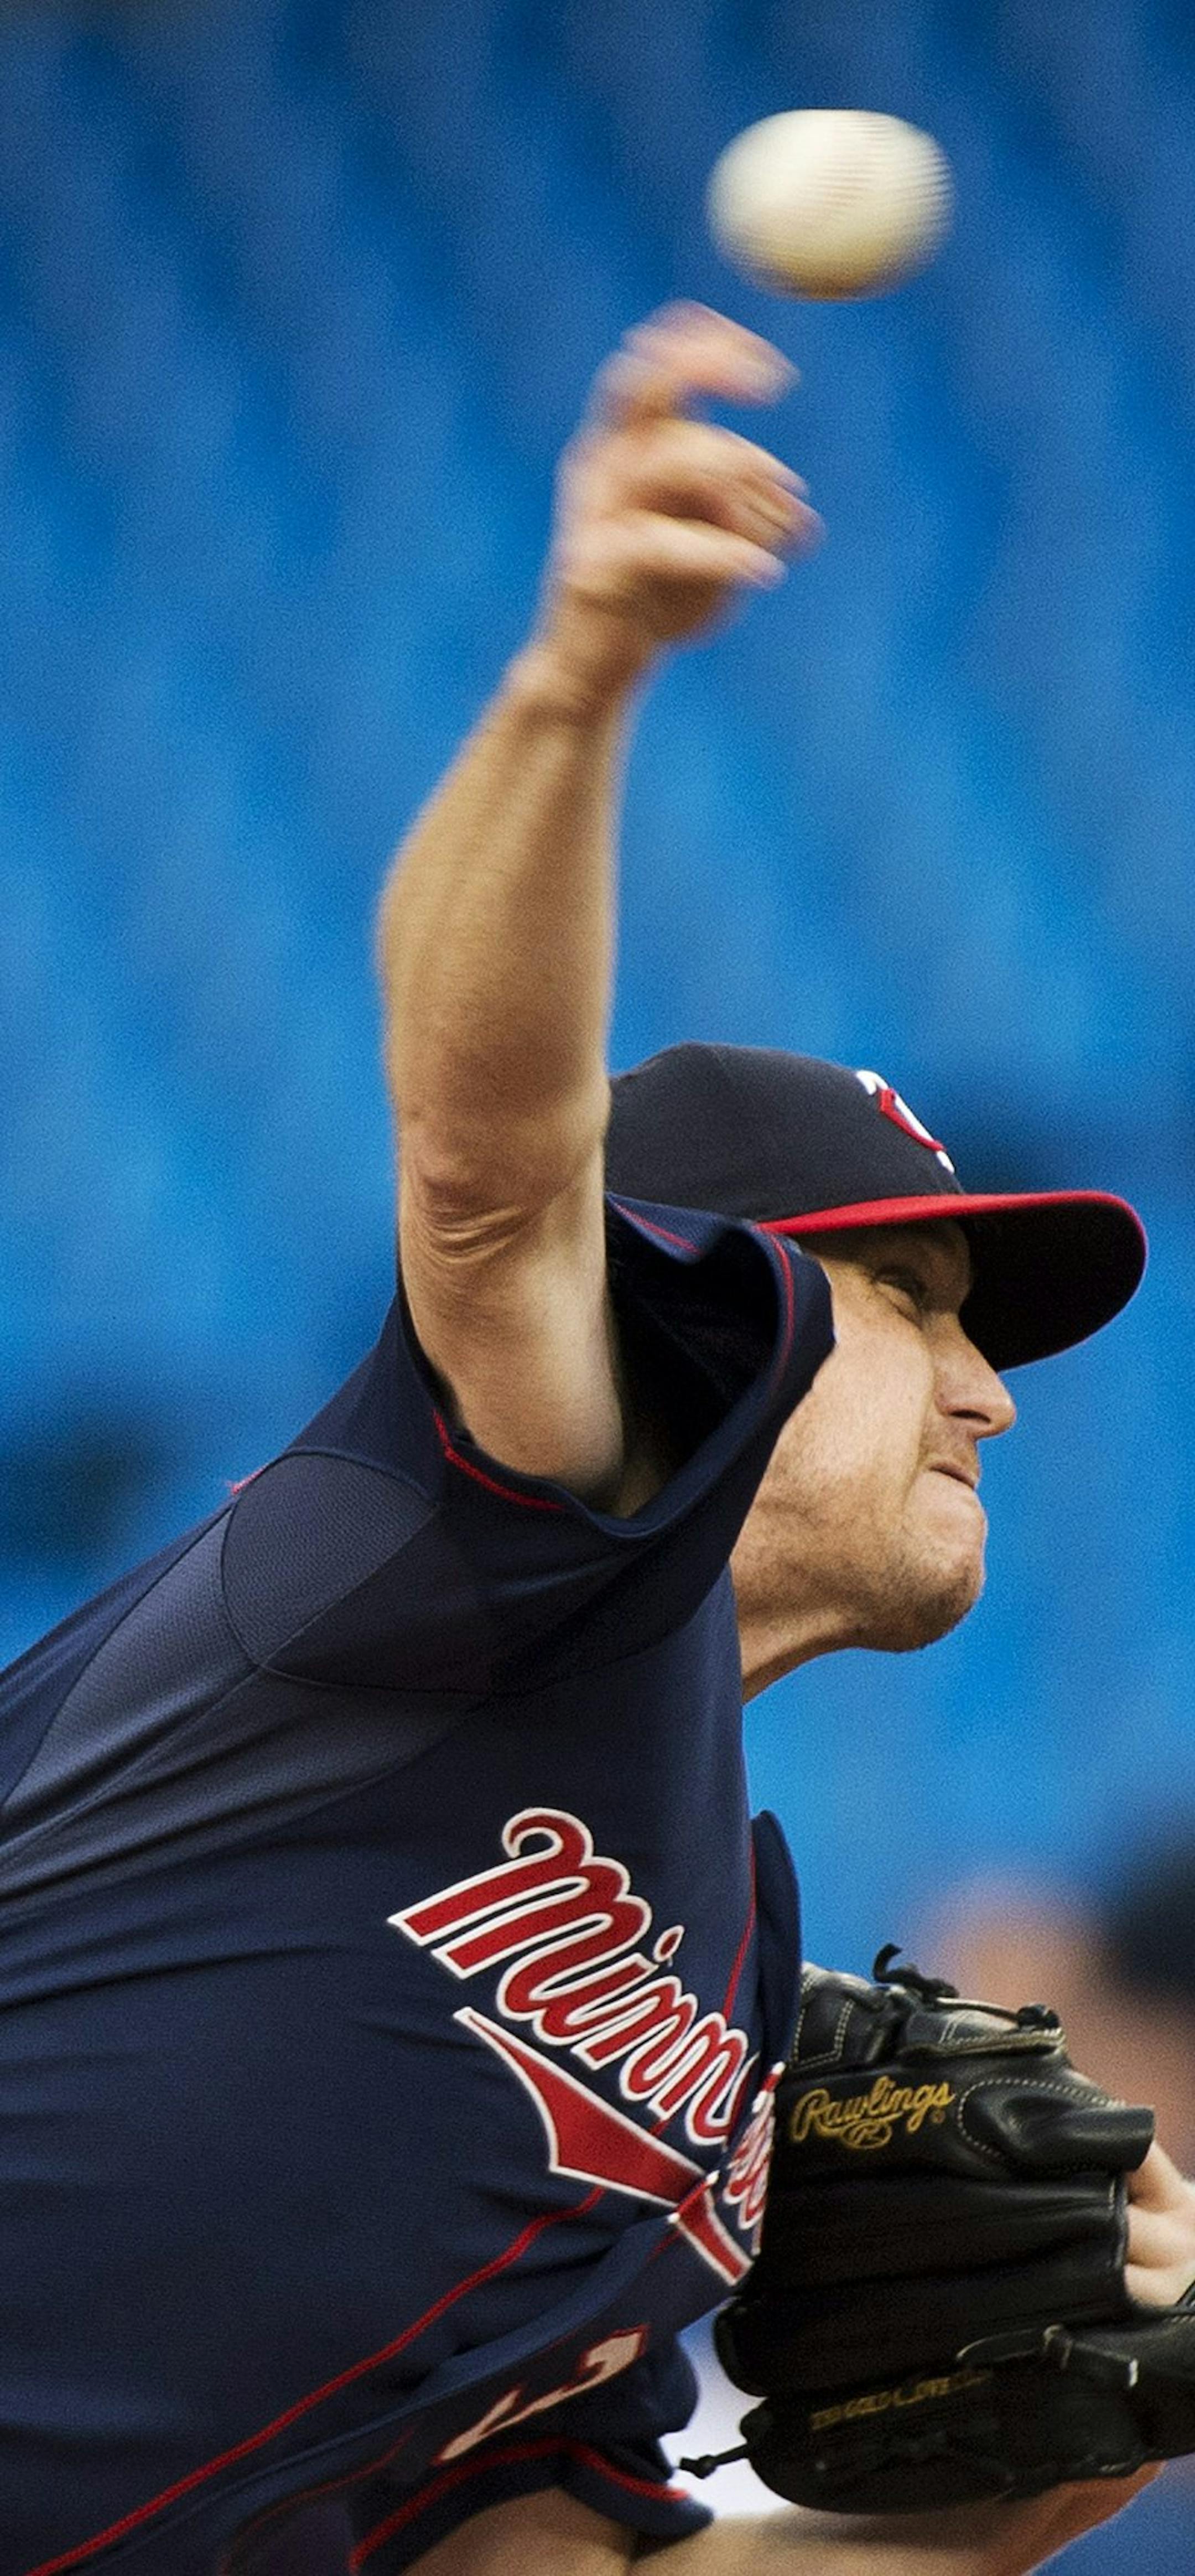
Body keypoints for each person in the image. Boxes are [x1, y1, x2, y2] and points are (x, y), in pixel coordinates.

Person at [0, 304, 1183, 2576]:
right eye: (912, 1307)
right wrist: (580, 680)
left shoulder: (734, 1981)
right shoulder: (464, 1562)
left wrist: (1060, 2465)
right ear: (690, 1307)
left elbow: (535, 2562)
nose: (991, 1390)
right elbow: (480, 1173)